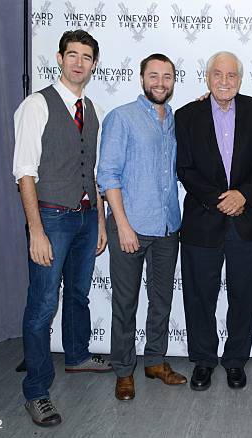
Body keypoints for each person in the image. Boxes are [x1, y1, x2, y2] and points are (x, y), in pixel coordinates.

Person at [12, 30, 109, 427]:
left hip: (86, 218)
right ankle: (37, 391)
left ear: (94, 64)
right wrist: (35, 230)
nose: (79, 63)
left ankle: (77, 355)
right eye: (73, 55)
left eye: (86, 57)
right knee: (42, 306)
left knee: (79, 295)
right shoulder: (37, 106)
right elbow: (24, 172)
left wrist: (100, 221)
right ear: (59, 57)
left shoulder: (92, 109)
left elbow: (95, 173)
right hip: (51, 218)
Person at [175, 51, 252, 391]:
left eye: (231, 75)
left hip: (246, 220)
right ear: (207, 77)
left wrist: (244, 195)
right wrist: (220, 199)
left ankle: (235, 361)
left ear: (240, 79)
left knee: (244, 295)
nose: (224, 81)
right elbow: (184, 168)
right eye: (218, 74)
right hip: (203, 221)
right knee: (199, 295)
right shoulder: (186, 115)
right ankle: (203, 360)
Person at [97, 53, 187, 402]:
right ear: (141, 78)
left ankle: (155, 361)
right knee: (125, 302)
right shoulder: (122, 117)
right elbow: (108, 176)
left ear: (173, 82)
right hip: (129, 227)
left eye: (167, 77)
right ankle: (123, 370)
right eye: (154, 76)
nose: (160, 83)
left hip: (167, 227)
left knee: (161, 300)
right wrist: (123, 225)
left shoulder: (174, 121)